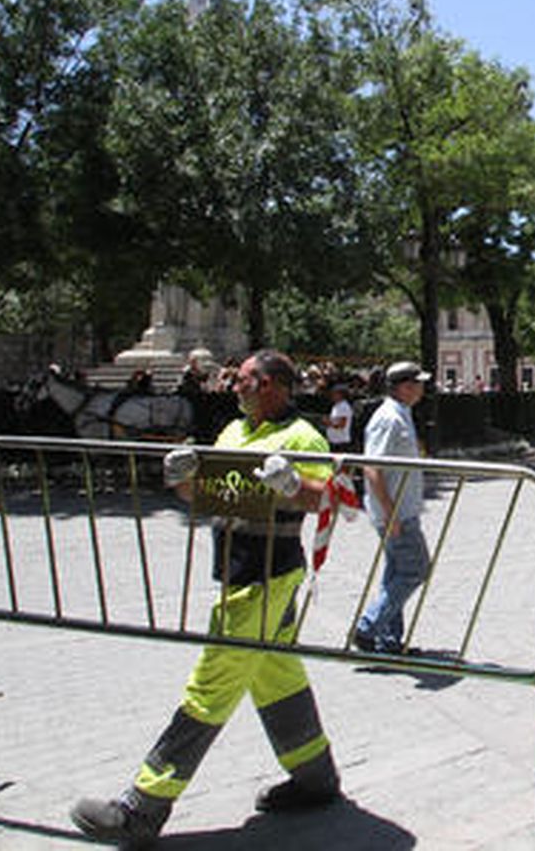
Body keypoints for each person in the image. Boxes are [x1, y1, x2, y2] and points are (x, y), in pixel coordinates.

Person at [72, 350, 342, 846]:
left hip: (268, 575)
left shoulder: (305, 436)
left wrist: (294, 483)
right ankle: (316, 778)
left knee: (211, 685)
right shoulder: (232, 432)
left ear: (270, 385)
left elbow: (327, 500)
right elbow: (204, 496)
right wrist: (183, 481)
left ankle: (143, 807)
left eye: (242, 380)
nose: (232, 387)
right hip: (237, 570)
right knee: (275, 676)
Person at [355, 361, 432, 654]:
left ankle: (389, 641)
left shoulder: (401, 414)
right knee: (416, 570)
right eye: (418, 383)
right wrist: (391, 513)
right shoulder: (389, 418)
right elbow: (372, 468)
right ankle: (368, 627)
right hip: (397, 512)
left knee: (396, 573)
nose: (422, 389)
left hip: (401, 509)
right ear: (404, 387)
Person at [324, 383, 354, 450]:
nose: (332, 396)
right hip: (333, 440)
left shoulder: (344, 406)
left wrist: (328, 423)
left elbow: (342, 424)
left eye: (335, 394)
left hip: (340, 441)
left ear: (341, 395)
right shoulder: (336, 406)